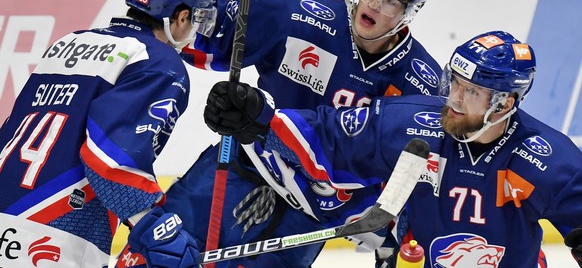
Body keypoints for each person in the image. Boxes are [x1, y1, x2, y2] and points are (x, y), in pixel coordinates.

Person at [117, 0, 442, 267]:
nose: (372, 3)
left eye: (389, 1)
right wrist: (161, 6)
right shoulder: (298, 16)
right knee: (158, 255)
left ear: (410, 11)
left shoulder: (421, 84)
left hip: (314, 215)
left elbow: (421, 173)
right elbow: (205, 28)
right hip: (247, 164)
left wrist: (404, 229)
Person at [204, 30, 582, 267]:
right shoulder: (410, 122)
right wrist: (257, 120)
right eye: (455, 82)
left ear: (504, 104)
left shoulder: (545, 157)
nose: (454, 98)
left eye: (472, 92)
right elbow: (331, 138)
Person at [0, 0, 218, 268]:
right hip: (52, 242)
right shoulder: (160, 63)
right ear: (181, 15)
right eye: (198, 17)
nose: (196, 30)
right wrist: (158, 229)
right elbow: (110, 162)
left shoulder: (67, 42)